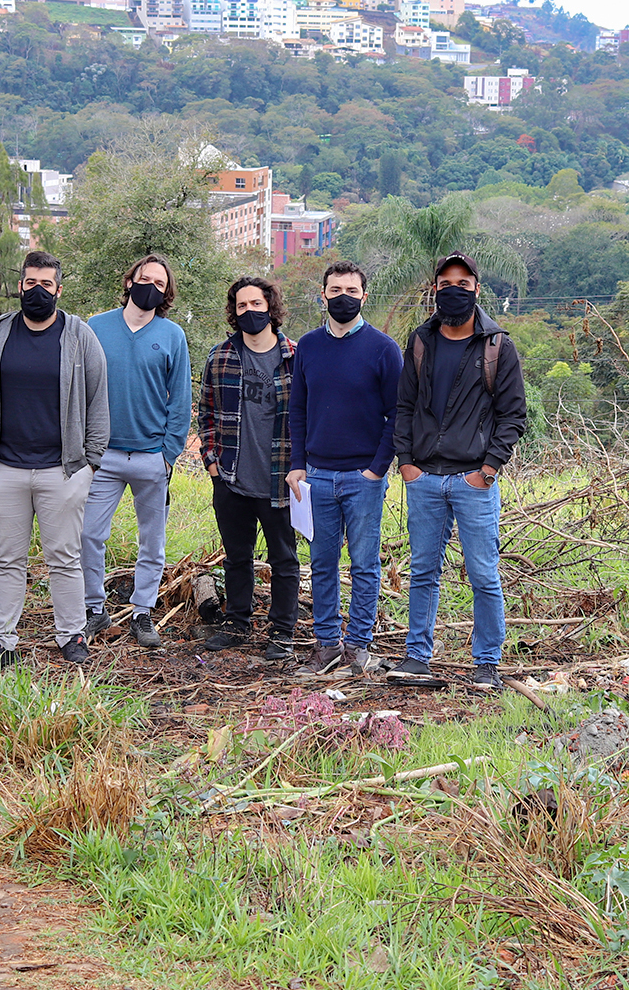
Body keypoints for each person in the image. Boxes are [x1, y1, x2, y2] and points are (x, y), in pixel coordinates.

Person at [389, 253, 528, 691]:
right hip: (424, 478)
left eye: (463, 283)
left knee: (483, 573)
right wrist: (406, 464)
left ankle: (486, 663)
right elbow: (404, 407)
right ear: (434, 290)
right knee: (424, 570)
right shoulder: (420, 341)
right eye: (445, 282)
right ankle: (417, 657)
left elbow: (513, 416)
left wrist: (487, 471)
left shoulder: (497, 346)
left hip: (473, 480)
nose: (454, 289)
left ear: (476, 289)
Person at [0, 251, 108, 666]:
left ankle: (72, 635)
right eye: (31, 283)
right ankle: (2, 641)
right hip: (2, 468)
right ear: (20, 285)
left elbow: (98, 400)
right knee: (7, 559)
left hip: (62, 471)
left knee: (64, 559)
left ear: (59, 290)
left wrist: (89, 464)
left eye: (46, 284)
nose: (37, 291)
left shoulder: (80, 336)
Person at [286, 261, 403, 676]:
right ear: (323, 294)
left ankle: (357, 647)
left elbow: (398, 414)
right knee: (321, 564)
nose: (343, 298)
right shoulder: (309, 347)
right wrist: (298, 465)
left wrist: (376, 468)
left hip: (362, 479)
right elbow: (297, 408)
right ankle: (326, 645)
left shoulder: (383, 348)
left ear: (364, 296)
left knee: (365, 564)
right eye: (335, 291)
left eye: (351, 291)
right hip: (316, 475)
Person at [81, 253, 191, 655]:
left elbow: (180, 400)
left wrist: (168, 453)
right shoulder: (95, 327)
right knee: (89, 534)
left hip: (151, 457)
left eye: (159, 283)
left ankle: (142, 611)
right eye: (145, 279)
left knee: (153, 543)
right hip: (103, 456)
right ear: (129, 281)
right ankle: (95, 608)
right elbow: (81, 387)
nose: (150, 287)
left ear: (166, 293)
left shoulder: (172, 335)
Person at [199, 276, 299, 661]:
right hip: (231, 479)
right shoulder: (220, 356)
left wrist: (302, 466)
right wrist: (211, 463)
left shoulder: (296, 356)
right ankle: (238, 623)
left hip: (280, 479)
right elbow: (206, 412)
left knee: (284, 560)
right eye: (241, 306)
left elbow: (306, 417)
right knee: (236, 556)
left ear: (270, 307)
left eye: (256, 304)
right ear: (234, 312)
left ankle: (282, 631)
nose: (249, 312)